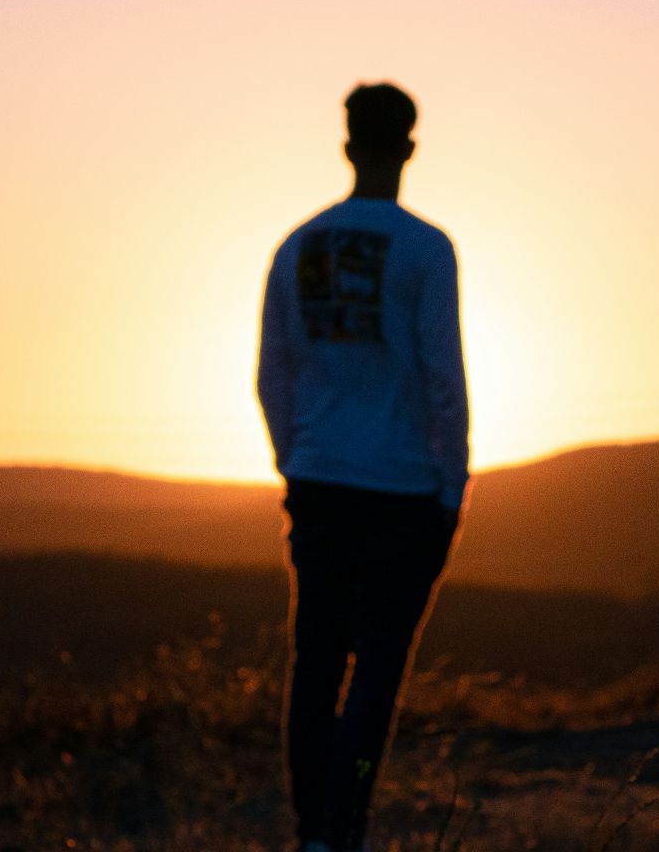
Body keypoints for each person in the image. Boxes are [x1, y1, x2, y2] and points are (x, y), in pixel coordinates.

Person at [256, 81, 471, 852]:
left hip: (318, 482)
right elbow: (443, 377)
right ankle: (342, 833)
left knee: (315, 661)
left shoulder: (296, 245)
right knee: (377, 669)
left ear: (347, 146)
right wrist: (453, 486)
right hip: (403, 490)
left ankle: (314, 831)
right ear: (409, 149)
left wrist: (295, 461)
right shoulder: (426, 248)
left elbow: (271, 373)